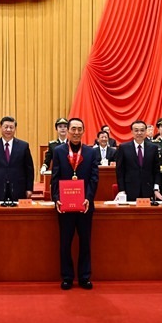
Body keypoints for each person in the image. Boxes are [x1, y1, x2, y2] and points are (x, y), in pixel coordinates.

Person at [51, 118, 100, 290]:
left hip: (85, 205)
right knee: (65, 243)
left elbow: (94, 178)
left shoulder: (91, 152)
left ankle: (85, 277)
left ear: (84, 131)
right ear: (68, 131)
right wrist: (56, 198)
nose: (76, 132)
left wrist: (88, 198)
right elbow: (55, 177)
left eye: (80, 129)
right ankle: (67, 277)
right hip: (64, 205)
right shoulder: (58, 151)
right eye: (73, 129)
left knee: (85, 242)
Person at [0, 116, 34, 202]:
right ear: (0, 127)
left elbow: (29, 169)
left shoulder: (23, 146)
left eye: (11, 127)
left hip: (18, 188)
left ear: (15, 129)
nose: (8, 130)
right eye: (6, 127)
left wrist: (29, 188)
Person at [115, 120, 162, 201]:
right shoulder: (123, 148)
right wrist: (121, 190)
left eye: (142, 130)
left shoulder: (153, 148)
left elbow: (156, 170)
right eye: (136, 130)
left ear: (146, 131)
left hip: (149, 189)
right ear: (132, 132)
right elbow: (120, 171)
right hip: (129, 190)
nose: (139, 133)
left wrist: (156, 188)